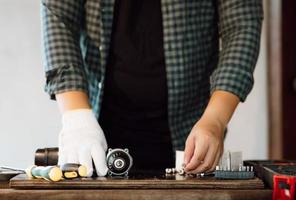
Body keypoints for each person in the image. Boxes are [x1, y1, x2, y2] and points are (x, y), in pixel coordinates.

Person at [41, 0, 263, 177]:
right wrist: (77, 117)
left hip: (190, 131)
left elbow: (241, 21)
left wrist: (215, 119)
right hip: (98, 130)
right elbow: (59, 14)